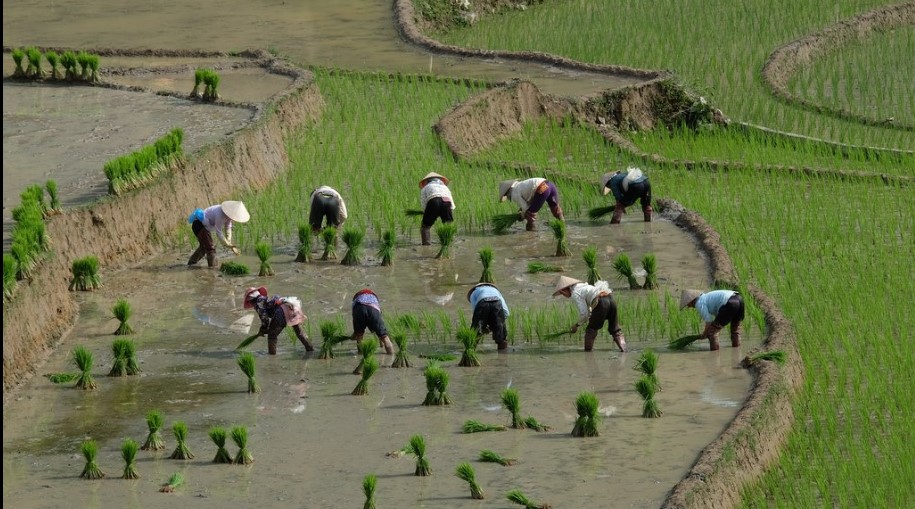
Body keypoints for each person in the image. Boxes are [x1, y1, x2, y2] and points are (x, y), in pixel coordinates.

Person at [552, 275, 626, 352]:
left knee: (591, 330)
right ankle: (624, 350)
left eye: (563, 294)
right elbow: (590, 306)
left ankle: (588, 354)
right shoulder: (583, 286)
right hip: (611, 299)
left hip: (601, 302)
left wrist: (576, 325)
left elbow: (584, 313)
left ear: (564, 290)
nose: (564, 296)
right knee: (615, 330)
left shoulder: (575, 293)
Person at [244, 286, 314, 355]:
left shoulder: (258, 302)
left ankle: (272, 357)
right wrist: (264, 329)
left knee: (272, 335)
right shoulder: (266, 298)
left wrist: (263, 329)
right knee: (299, 331)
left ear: (250, 300)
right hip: (292, 306)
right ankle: (310, 348)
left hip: (281, 311)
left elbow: (264, 318)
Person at [187, 200, 249, 267]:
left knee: (204, 247)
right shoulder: (220, 214)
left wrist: (229, 243)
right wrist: (228, 244)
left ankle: (191, 264)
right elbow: (218, 232)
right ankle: (213, 269)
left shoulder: (229, 215)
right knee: (211, 249)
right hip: (199, 225)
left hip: (204, 226)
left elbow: (228, 227)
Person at [680, 289, 744, 351]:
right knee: (735, 329)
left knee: (712, 332)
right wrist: (717, 327)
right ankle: (737, 350)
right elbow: (718, 317)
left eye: (687, 304)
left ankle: (715, 354)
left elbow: (709, 321)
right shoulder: (707, 297)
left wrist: (705, 333)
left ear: (691, 301)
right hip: (739, 299)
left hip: (729, 302)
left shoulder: (699, 302)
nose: (688, 307)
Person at [499, 178, 564, 231]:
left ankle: (531, 235)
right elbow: (530, 197)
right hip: (550, 185)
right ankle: (563, 227)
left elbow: (525, 208)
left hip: (542, 189)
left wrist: (521, 216)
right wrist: (522, 211)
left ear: (506, 192)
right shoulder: (519, 185)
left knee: (530, 216)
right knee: (556, 211)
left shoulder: (513, 193)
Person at [467, 283, 510, 351]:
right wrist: (496, 324)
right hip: (497, 302)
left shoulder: (474, 293)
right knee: (501, 332)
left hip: (482, 303)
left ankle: (470, 350)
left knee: (475, 331)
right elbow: (506, 313)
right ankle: (503, 356)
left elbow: (476, 312)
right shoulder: (496, 291)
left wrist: (483, 327)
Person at [351, 289, 394, 354]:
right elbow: (378, 320)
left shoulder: (355, 301)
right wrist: (381, 340)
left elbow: (355, 318)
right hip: (373, 309)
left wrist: (356, 333)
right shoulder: (374, 299)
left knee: (359, 337)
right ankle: (391, 358)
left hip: (359, 309)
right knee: (385, 338)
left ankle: (362, 356)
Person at [418, 172, 455, 245]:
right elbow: (451, 203)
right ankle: (449, 243)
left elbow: (423, 202)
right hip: (447, 203)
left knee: (425, 226)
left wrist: (427, 212)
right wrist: (447, 212)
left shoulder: (426, 187)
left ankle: (426, 244)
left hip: (434, 201)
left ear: (427, 181)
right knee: (448, 225)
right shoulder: (445, 187)